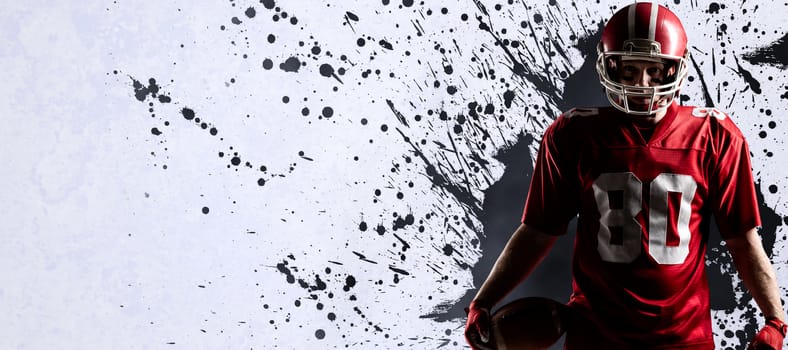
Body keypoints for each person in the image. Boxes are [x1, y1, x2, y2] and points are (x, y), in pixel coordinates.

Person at [464, 2, 786, 349]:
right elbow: (538, 231)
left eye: (655, 71)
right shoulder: (573, 133)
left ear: (676, 69)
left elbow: (743, 239)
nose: (642, 85)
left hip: (684, 338)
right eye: (628, 72)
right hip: (597, 335)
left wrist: (775, 320)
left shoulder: (715, 135)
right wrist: (482, 300)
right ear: (608, 67)